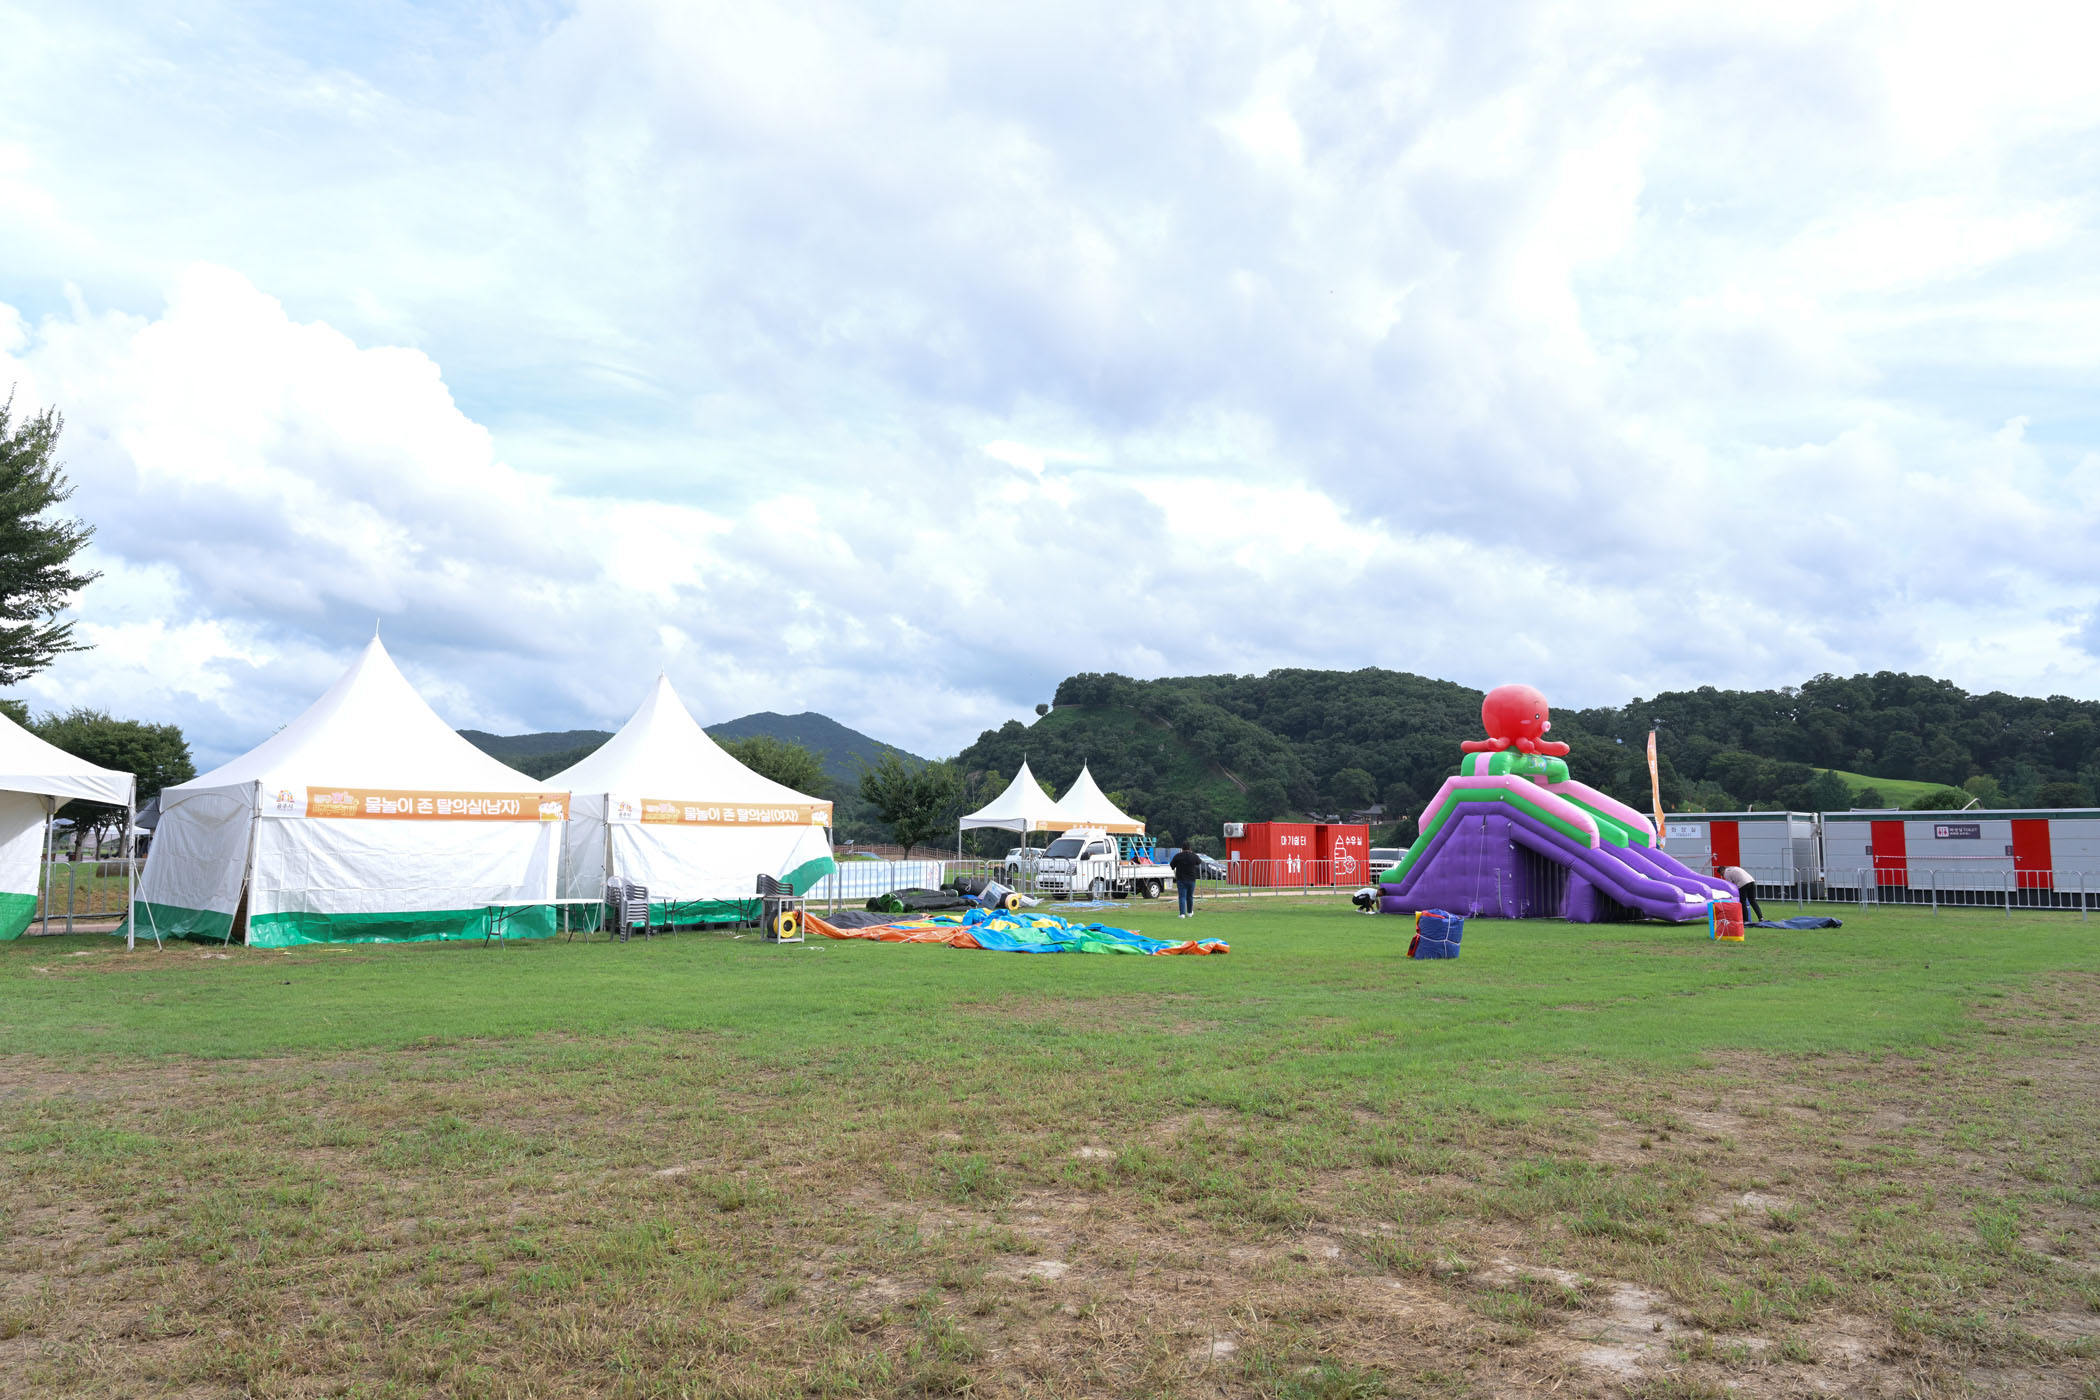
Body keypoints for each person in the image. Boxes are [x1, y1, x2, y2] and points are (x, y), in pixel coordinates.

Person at [1169, 840, 1205, 918]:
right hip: (1191, 879)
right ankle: (1189, 912)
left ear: (1182, 848)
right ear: (1190, 848)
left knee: (1182, 897)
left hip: (1181, 879)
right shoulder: (1194, 856)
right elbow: (1199, 862)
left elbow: (1172, 865)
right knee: (1190, 897)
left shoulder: (1178, 856)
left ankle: (1182, 914)